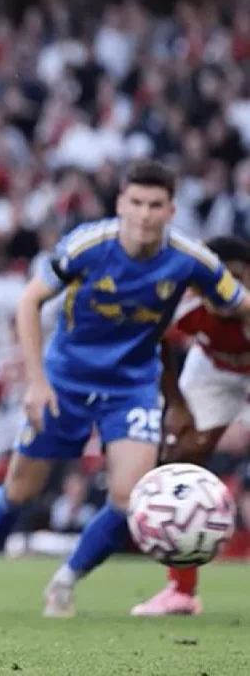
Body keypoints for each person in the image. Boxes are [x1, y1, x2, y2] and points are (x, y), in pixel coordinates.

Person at [0, 159, 250, 618]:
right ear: (121, 203)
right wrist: (36, 382)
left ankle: (66, 580)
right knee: (20, 490)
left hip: (132, 386)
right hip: (66, 380)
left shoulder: (191, 259)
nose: (144, 215)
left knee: (130, 498)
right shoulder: (88, 244)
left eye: (155, 205)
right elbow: (29, 300)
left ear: (171, 210)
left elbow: (240, 302)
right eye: (136, 203)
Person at [131, 235, 250, 616]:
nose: (227, 289)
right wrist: (176, 403)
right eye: (218, 280)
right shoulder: (183, 299)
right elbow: (156, 340)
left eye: (237, 278)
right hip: (213, 368)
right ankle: (181, 592)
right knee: (179, 456)